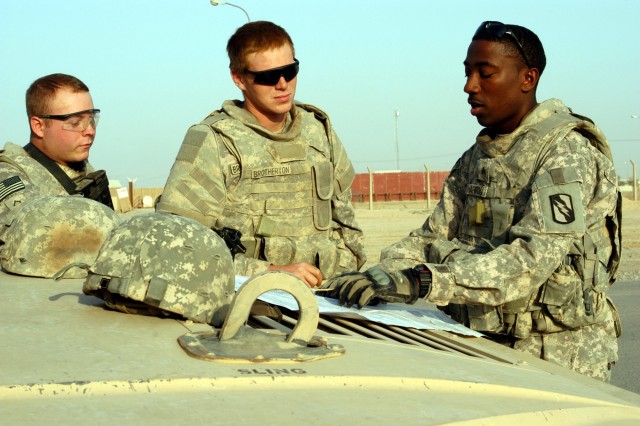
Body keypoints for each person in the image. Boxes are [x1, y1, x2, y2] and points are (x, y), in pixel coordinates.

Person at [321, 21, 621, 382]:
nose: (469, 86)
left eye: (485, 73)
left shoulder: (566, 154)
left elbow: (528, 263)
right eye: (467, 72)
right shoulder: (477, 159)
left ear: (528, 78)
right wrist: (380, 274)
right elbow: (430, 238)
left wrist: (421, 281)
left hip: (556, 358)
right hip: (483, 346)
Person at [157, 21, 366, 287]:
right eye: (268, 76)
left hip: (326, 295)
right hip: (252, 298)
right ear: (239, 78)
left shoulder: (318, 131)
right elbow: (177, 244)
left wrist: (341, 279)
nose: (283, 84)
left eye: (290, 71)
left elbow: (347, 228)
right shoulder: (215, 141)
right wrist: (269, 271)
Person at [0, 73, 113, 245]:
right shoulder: (9, 175)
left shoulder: (81, 170)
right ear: (39, 126)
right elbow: (31, 236)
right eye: (76, 123)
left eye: (91, 120)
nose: (89, 130)